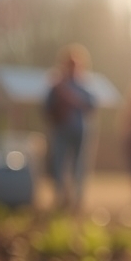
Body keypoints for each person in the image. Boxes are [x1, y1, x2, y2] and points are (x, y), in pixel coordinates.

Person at [44, 43, 96, 212]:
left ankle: (77, 199)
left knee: (78, 165)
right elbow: (47, 107)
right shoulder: (56, 85)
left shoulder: (84, 84)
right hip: (61, 130)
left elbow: (92, 106)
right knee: (59, 164)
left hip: (80, 131)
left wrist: (71, 98)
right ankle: (61, 197)